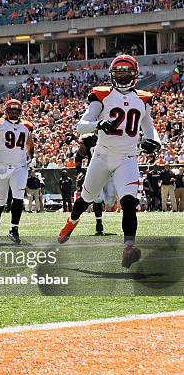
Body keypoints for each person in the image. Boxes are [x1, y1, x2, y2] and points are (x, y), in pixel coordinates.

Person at [58, 55, 161, 269]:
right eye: (118, 72)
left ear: (134, 74)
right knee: (85, 198)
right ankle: (71, 222)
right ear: (112, 75)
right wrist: (98, 124)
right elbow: (81, 125)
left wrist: (155, 141)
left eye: (126, 72)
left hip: (127, 157)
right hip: (102, 156)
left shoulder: (143, 98)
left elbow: (149, 126)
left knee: (129, 203)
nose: (122, 76)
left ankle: (129, 247)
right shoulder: (102, 95)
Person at [0, 99, 35, 244]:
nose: (14, 114)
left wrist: (32, 157)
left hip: (19, 167)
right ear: (6, 112)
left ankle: (14, 229)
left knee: (18, 197)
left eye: (16, 111)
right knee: (0, 200)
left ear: (20, 112)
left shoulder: (26, 126)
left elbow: (30, 145)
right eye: (11, 111)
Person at [75, 133, 117, 235]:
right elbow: (79, 156)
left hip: (109, 171)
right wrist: (79, 170)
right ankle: (99, 224)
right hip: (95, 171)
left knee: (110, 201)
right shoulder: (89, 139)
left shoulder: (113, 137)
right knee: (97, 198)